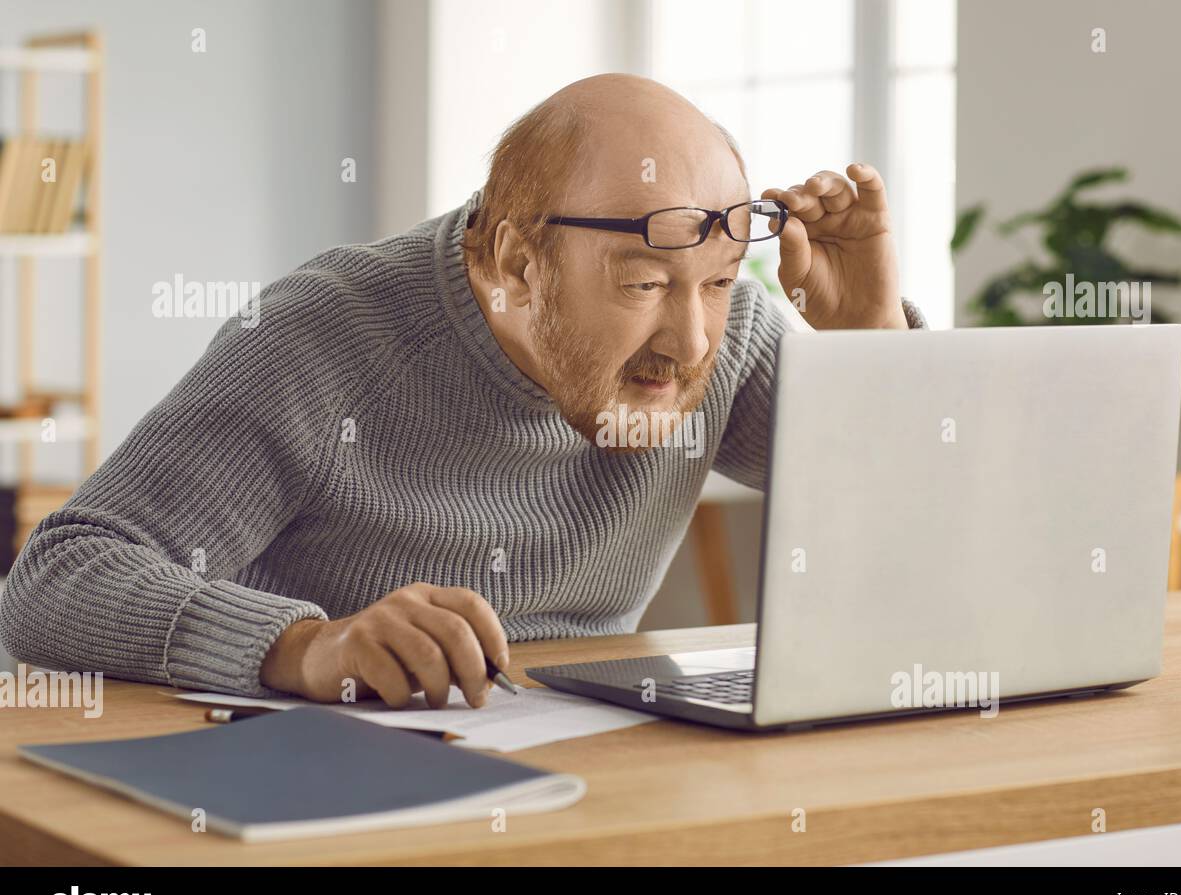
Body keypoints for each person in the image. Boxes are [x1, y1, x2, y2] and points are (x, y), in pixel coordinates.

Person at [0, 74, 924, 710]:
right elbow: (60, 576)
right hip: (293, 769)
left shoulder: (722, 340)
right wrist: (307, 648)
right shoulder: (323, 337)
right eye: (643, 284)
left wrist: (872, 342)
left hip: (579, 756)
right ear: (520, 260)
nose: (689, 342)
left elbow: (911, 510)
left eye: (720, 282)